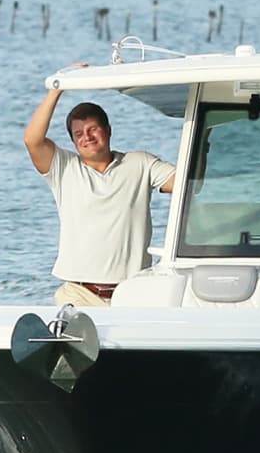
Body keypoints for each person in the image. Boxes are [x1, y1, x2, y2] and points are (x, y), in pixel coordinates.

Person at [23, 77, 176, 307]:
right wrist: (56, 90)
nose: (87, 137)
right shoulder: (64, 168)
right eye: (79, 134)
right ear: (73, 141)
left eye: (93, 129)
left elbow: (187, 184)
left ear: (108, 130)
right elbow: (32, 140)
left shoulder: (140, 163)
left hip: (133, 293)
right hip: (79, 294)